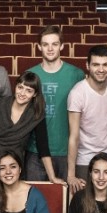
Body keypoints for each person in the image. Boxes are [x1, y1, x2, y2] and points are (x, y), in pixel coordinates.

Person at [24, 25, 84, 181]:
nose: (50, 49)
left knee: (65, 203)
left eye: (54, 44)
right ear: (39, 47)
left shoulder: (76, 74)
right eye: (45, 44)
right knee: (35, 201)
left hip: (66, 151)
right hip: (35, 151)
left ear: (62, 46)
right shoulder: (30, 75)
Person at [0, 71, 65, 184]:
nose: (22, 93)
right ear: (15, 86)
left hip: (15, 164)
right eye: (20, 87)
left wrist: (52, 177)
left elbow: (43, 147)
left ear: (35, 94)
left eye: (29, 90)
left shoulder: (36, 114)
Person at [66, 45, 107, 193]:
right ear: (87, 66)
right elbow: (73, 136)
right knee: (86, 207)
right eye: (96, 64)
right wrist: (71, 174)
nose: (101, 69)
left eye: (105, 64)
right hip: (86, 159)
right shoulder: (77, 93)